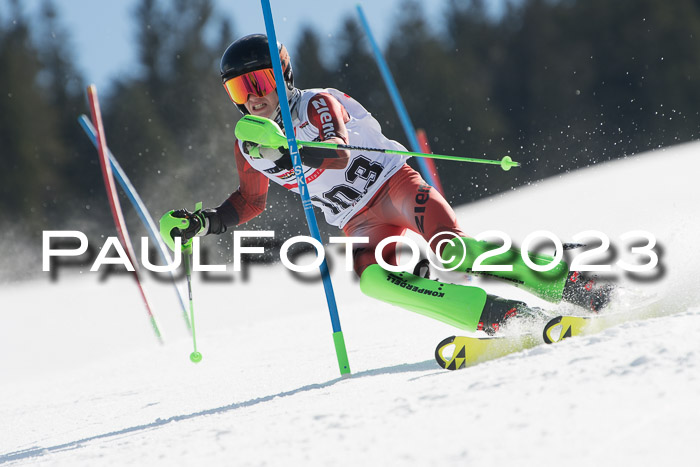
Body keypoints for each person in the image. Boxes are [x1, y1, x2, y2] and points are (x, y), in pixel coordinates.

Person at [163, 34, 613, 334]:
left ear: (284, 75)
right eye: (240, 92)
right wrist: (204, 223)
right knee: (376, 281)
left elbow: (336, 152)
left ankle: (570, 284)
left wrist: (287, 150)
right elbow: (249, 201)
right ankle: (498, 315)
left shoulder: (317, 104)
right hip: (358, 221)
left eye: (260, 82)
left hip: (394, 185)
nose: (254, 98)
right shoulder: (247, 147)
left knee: (451, 251)